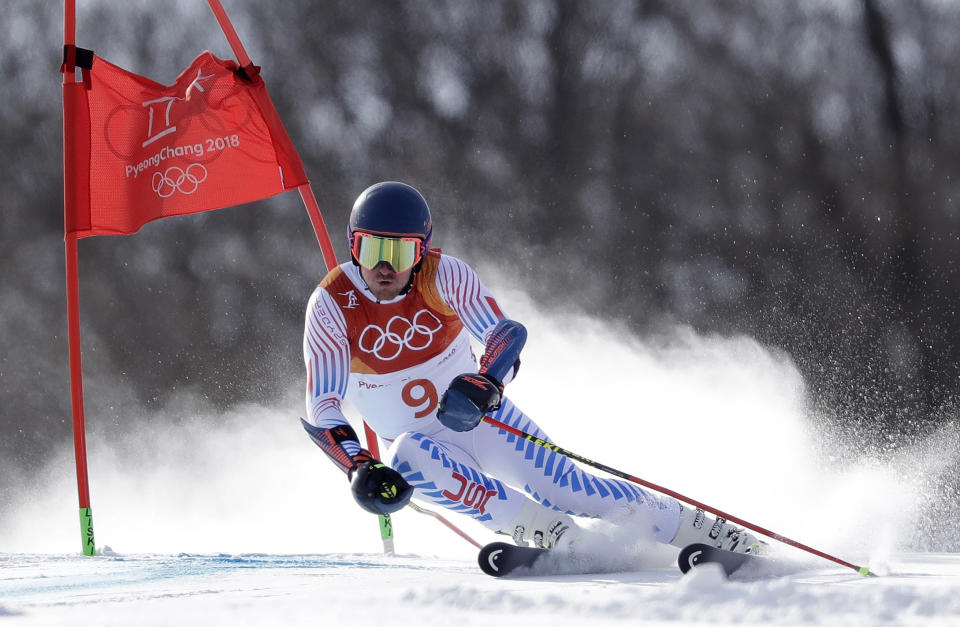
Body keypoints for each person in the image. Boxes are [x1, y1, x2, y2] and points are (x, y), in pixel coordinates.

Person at [302, 181, 761, 555]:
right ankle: (557, 537)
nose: (384, 267)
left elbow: (504, 334)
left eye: (399, 253)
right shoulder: (331, 303)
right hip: (425, 452)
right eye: (370, 249)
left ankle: (702, 530)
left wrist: (486, 381)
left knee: (573, 490)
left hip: (483, 421)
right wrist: (357, 465)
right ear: (352, 245)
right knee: (405, 454)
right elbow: (323, 403)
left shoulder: (444, 276)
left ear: (421, 251)